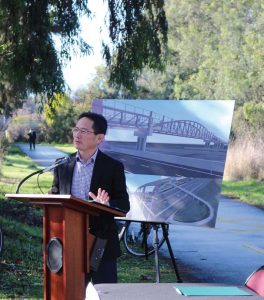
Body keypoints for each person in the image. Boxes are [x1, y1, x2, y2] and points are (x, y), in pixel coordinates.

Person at [51, 111, 130, 284]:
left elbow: (124, 204)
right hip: (68, 241)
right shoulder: (62, 165)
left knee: (102, 291)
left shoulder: (113, 167)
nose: (77, 135)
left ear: (99, 138)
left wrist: (107, 204)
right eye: (76, 129)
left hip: (100, 242)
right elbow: (55, 195)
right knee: (71, 292)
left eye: (84, 131)